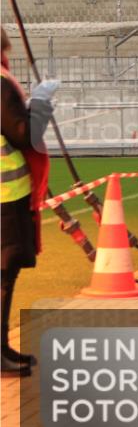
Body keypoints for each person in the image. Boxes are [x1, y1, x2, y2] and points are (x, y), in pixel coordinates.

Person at [1, 28, 58, 376]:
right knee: (4, 273)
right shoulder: (0, 83)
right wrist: (40, 103)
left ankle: (2, 346)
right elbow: (24, 134)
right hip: (6, 195)